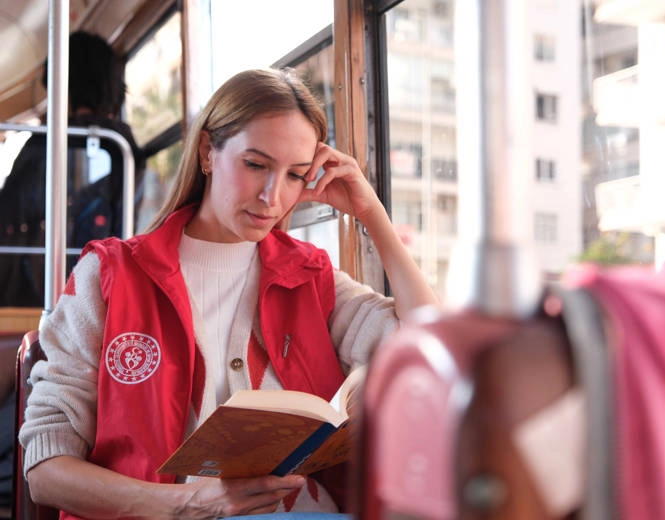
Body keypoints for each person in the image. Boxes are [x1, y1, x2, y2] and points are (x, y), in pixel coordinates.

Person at [18, 68, 438, 518]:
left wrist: (370, 213)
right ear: (207, 153)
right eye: (255, 165)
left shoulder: (311, 278)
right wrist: (187, 504)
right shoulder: (110, 276)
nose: (272, 198)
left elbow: (428, 345)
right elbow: (46, 471)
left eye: (296, 175)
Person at [0, 30, 146, 307]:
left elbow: (13, 213)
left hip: (32, 294)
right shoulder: (126, 146)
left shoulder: (47, 142)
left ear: (63, 86)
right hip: (105, 289)